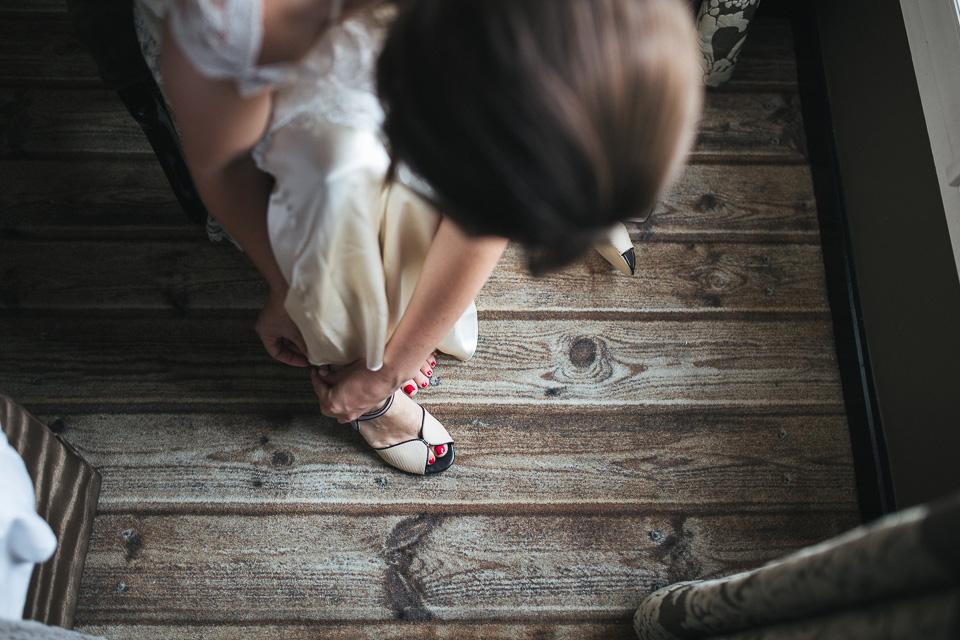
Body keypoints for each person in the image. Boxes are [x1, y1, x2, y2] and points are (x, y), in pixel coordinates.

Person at [137, 0, 703, 475]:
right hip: (306, 112)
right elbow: (225, 166)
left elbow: (481, 204)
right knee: (338, 179)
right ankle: (361, 358)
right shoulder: (242, 22)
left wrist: (400, 357)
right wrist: (287, 287)